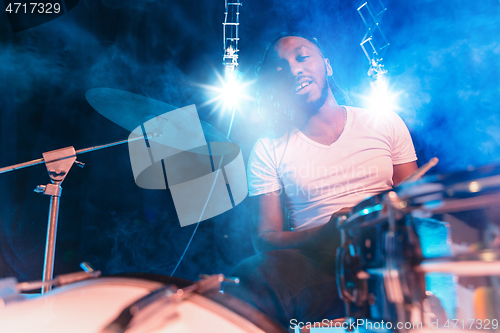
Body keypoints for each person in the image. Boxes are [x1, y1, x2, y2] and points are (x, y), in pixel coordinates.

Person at [224, 33, 418, 330]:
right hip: (318, 265)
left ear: (327, 66)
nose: (293, 69)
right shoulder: (268, 148)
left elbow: (418, 206)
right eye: (280, 68)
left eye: (302, 57)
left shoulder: (384, 121)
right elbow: (264, 238)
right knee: (251, 274)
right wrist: (324, 234)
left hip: (388, 256)